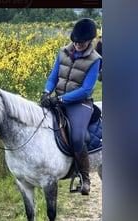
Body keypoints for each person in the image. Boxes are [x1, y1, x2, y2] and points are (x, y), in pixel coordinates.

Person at [40, 18, 101, 195]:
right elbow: (53, 77)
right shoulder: (63, 52)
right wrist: (46, 92)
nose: (77, 44)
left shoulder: (95, 60)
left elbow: (86, 89)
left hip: (79, 104)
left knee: (77, 137)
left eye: (81, 42)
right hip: (57, 98)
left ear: (89, 40)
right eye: (75, 41)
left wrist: (61, 100)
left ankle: (84, 177)